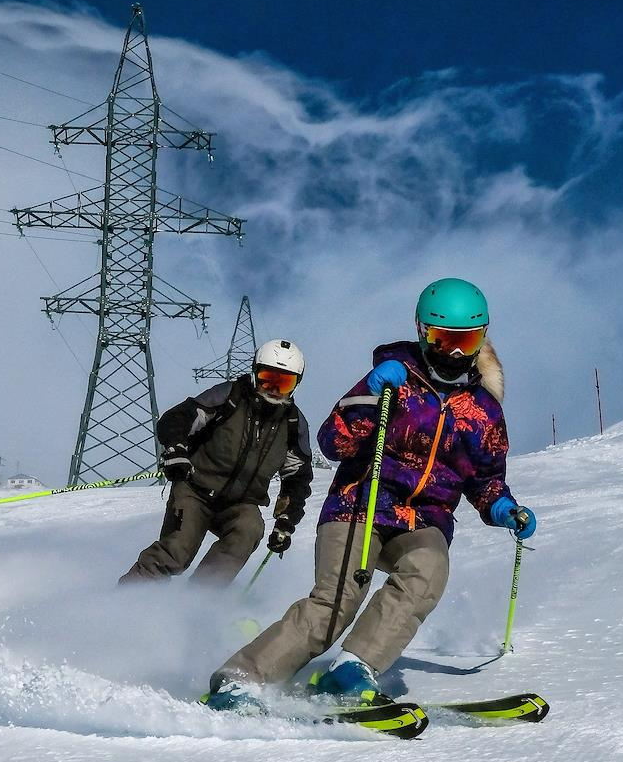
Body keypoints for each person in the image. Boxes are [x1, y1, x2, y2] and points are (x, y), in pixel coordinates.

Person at [206, 278, 536, 709]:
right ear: (422, 332)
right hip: (360, 505)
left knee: (428, 573)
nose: (455, 353)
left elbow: (485, 478)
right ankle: (241, 678)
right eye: (443, 339)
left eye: (468, 340)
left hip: (425, 519)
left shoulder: (483, 410)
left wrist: (503, 506)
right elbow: (333, 443)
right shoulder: (392, 379)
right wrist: (369, 395)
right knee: (338, 600)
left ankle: (353, 668)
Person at [119, 339, 314, 588]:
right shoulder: (229, 397)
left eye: (284, 382)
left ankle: (198, 602)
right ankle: (126, 597)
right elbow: (178, 418)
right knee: (177, 551)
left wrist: (287, 519)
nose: (274, 389)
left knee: (250, 527)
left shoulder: (293, 424)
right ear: (255, 374)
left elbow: (297, 475)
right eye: (267, 379)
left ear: (296, 384)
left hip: (239, 503)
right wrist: (176, 450)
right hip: (196, 489)